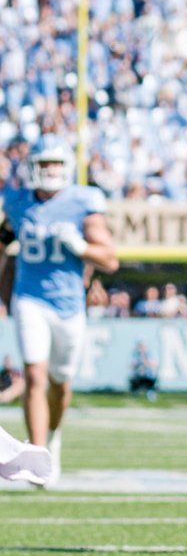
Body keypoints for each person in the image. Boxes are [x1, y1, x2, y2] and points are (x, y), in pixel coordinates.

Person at [0, 145, 119, 487]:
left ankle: (52, 436)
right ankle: (37, 458)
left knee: (59, 383)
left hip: (68, 303)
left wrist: (81, 247)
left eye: (56, 162)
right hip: (29, 298)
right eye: (44, 162)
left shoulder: (84, 202)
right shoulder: (17, 201)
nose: (50, 169)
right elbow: (3, 241)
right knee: (34, 377)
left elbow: (110, 260)